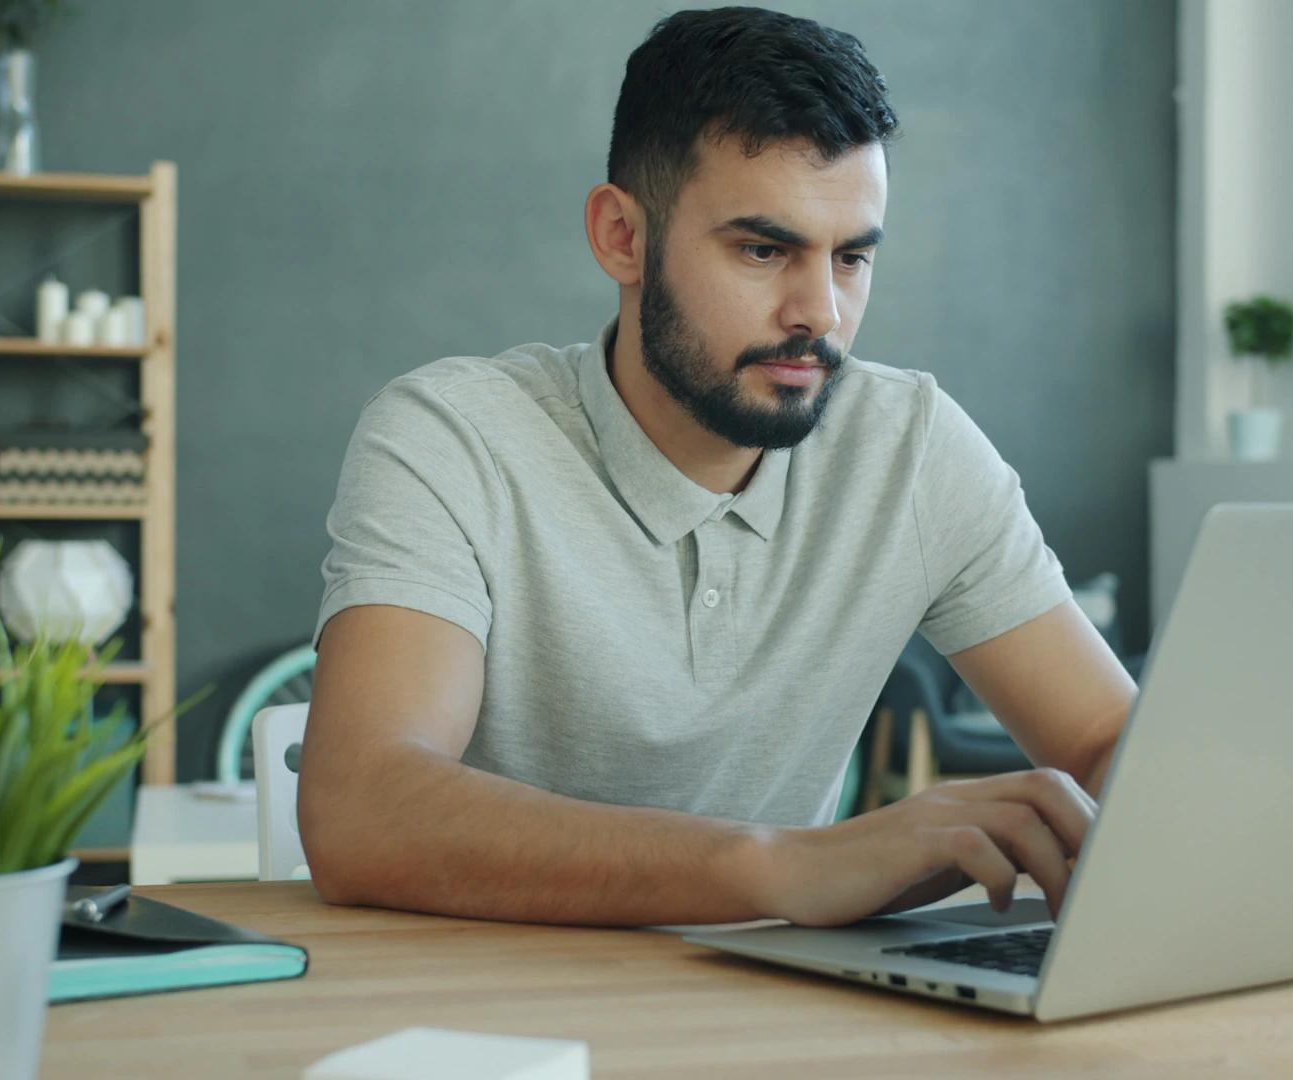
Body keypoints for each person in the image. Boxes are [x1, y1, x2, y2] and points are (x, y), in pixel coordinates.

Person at [301, 6, 1136, 928]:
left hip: (775, 1021)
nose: (818, 312)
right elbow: (363, 809)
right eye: (763, 249)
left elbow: (1108, 740)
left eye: (852, 258)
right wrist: (781, 866)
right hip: (496, 1034)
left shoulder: (913, 448)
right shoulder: (451, 438)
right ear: (622, 236)